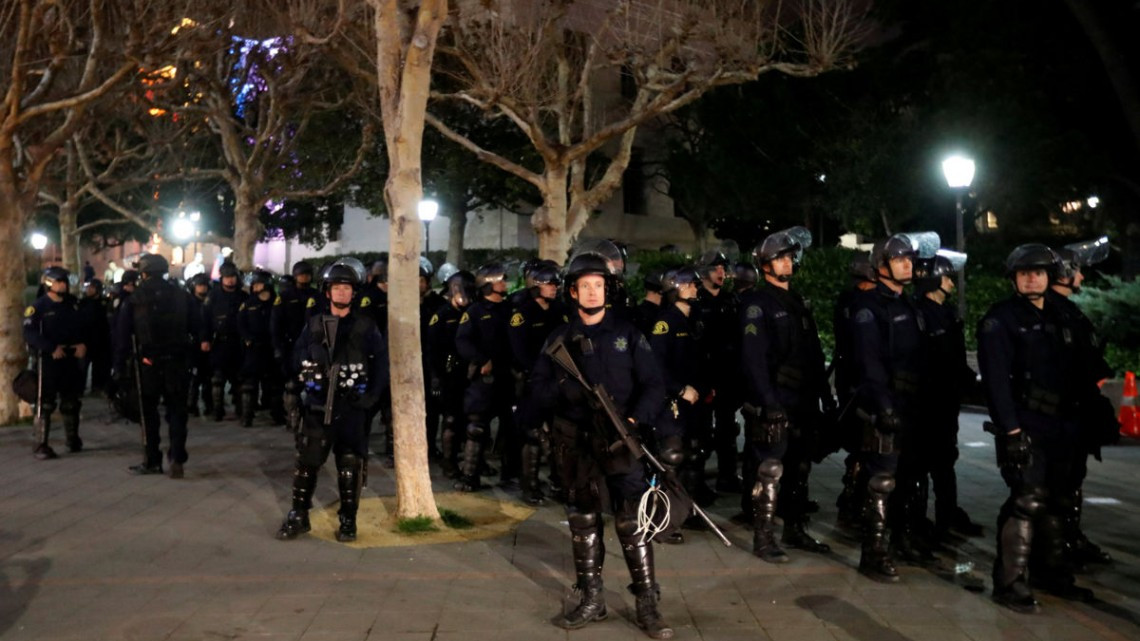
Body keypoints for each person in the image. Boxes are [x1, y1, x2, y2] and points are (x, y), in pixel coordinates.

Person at [528, 251, 672, 639]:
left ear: (608, 290)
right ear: (572, 292)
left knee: (631, 523)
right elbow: (537, 388)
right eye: (585, 286)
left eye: (599, 285)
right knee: (583, 520)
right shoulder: (559, 339)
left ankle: (647, 603)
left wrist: (633, 420)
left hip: (621, 440)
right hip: (577, 444)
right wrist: (567, 394)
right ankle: (592, 598)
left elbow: (654, 386)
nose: (592, 292)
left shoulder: (629, 335)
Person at [978, 243, 1096, 613]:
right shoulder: (1001, 319)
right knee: (1026, 500)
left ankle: (1054, 573)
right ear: (1013, 278)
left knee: (1059, 499)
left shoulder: (1063, 316)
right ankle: (1010, 582)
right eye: (1025, 273)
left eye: (1039, 272)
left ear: (1049, 277)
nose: (1032, 278)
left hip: (1061, 425)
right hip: (1025, 423)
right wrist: (1010, 432)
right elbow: (996, 381)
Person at [277, 258, 388, 543]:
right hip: (317, 405)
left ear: (354, 293)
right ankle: (299, 515)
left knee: (349, 465)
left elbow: (380, 366)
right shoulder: (314, 324)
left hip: (351, 408)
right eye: (336, 288)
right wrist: (306, 376)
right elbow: (297, 356)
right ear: (327, 292)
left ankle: (348, 520)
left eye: (346, 288)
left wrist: (370, 400)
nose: (341, 293)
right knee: (307, 462)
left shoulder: (366, 326)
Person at [739, 229, 833, 562]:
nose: (787, 263)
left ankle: (795, 528)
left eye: (790, 257)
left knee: (800, 467)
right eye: (780, 258)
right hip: (776, 399)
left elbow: (813, 352)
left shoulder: (798, 302)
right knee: (770, 470)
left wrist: (826, 398)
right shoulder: (757, 304)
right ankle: (763, 537)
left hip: (803, 400)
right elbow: (753, 360)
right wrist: (768, 402)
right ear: (765, 264)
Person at [849, 233, 926, 583]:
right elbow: (869, 362)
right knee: (881, 481)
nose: (907, 264)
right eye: (899, 259)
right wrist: (883, 406)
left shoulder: (907, 304)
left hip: (911, 405)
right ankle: (874, 553)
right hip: (885, 405)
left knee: (907, 478)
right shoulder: (870, 308)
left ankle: (901, 539)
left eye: (909, 258)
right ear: (882, 266)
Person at [1048, 240, 1117, 570]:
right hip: (1059, 415)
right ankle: (1056, 546)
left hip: (1076, 413)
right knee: (1057, 485)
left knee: (1072, 481)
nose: (1083, 278)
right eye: (1078, 271)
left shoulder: (1070, 311)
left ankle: (1068, 537)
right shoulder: (1053, 312)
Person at [911, 253, 984, 542]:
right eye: (947, 277)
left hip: (946, 402)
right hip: (925, 403)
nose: (951, 282)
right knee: (920, 465)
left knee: (945, 463)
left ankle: (945, 520)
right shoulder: (918, 313)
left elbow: (955, 360)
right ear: (933, 280)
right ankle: (917, 524)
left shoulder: (948, 313)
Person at [114, 254, 200, 478]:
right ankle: (177, 458)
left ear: (143, 273)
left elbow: (123, 338)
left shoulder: (134, 300)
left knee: (148, 414)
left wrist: (118, 368)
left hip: (147, 364)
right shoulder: (183, 296)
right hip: (177, 362)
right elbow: (197, 330)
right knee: (177, 412)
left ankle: (152, 460)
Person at [646, 266, 708, 543]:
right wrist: (680, 389)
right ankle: (661, 523)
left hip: (694, 403)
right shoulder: (665, 322)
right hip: (671, 403)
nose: (696, 287)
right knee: (670, 460)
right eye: (689, 284)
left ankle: (685, 512)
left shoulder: (693, 320)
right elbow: (655, 367)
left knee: (693, 455)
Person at [507, 261, 567, 505]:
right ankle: (529, 485)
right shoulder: (522, 315)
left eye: (556, 283)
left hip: (558, 381)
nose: (555, 287)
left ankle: (557, 481)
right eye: (550, 284)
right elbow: (519, 352)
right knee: (533, 435)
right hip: (532, 381)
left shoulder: (559, 311)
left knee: (557, 434)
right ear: (536, 286)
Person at [454, 261, 516, 491]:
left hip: (507, 378)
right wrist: (481, 360)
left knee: (512, 427)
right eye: (500, 280)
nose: (505, 284)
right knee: (477, 428)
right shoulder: (475, 312)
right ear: (488, 286)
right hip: (484, 379)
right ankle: (470, 475)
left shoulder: (510, 310)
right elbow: (462, 341)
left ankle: (510, 475)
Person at [23, 266, 87, 459]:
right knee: (46, 404)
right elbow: (29, 333)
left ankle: (72, 439)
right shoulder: (38, 307)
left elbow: (84, 326)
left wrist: (82, 344)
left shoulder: (73, 304)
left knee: (71, 401)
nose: (64, 285)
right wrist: (50, 348)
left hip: (70, 357)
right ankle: (41, 443)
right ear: (50, 283)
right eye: (60, 281)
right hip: (48, 360)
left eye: (65, 282)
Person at [694, 248, 742, 496]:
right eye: (716, 268)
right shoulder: (695, 301)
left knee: (727, 428)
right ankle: (697, 480)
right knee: (701, 430)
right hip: (703, 375)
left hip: (727, 375)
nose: (722, 273)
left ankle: (728, 475)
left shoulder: (731, 301)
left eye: (723, 268)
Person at [427, 270, 477, 478]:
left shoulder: (472, 312)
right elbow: (431, 347)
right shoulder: (442, 315)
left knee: (469, 420)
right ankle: (449, 462)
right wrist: (435, 377)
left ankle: (471, 461)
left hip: (469, 372)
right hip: (448, 373)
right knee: (450, 420)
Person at [237, 269, 285, 426]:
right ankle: (247, 417)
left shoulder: (277, 302)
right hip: (254, 348)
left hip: (272, 347)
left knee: (274, 385)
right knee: (249, 386)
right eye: (254, 284)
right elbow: (241, 323)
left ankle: (276, 414)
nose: (255, 287)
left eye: (258, 284)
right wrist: (247, 338)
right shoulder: (249, 303)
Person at [202, 261, 247, 421]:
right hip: (219, 342)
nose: (230, 280)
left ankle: (242, 411)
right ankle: (217, 410)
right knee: (217, 379)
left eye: (232, 277)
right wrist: (205, 339)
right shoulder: (213, 296)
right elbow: (205, 319)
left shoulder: (243, 296)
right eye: (227, 277)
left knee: (239, 380)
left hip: (238, 343)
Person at [185, 274, 213, 417]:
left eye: (204, 285)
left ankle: (209, 404)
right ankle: (191, 404)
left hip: (210, 343)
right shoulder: (189, 303)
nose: (202, 288)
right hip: (193, 345)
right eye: (199, 285)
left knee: (208, 376)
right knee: (194, 377)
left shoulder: (211, 302)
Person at [78, 278, 112, 394]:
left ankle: (97, 387)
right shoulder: (83, 303)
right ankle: (80, 388)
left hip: (100, 341)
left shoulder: (104, 303)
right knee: (82, 367)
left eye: (91, 288)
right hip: (85, 340)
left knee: (100, 367)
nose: (88, 290)